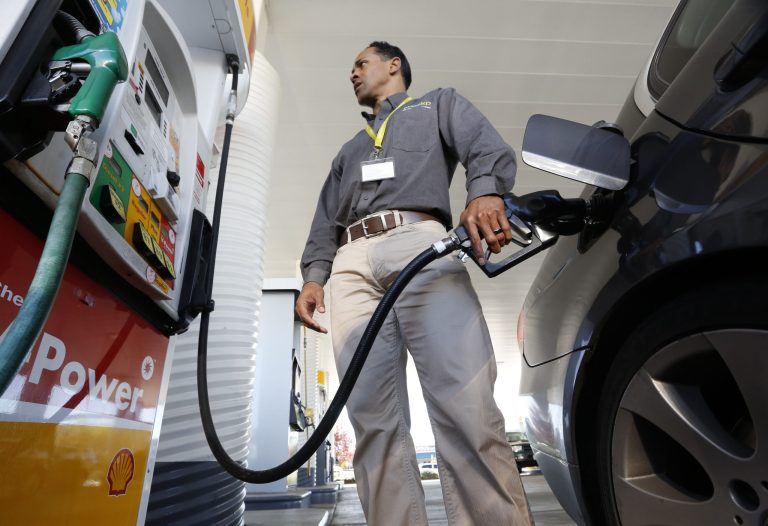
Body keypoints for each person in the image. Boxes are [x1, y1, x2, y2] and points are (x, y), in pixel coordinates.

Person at [296, 41, 533, 526]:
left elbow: (486, 148)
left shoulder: (437, 105)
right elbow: (324, 221)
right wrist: (314, 277)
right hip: (351, 263)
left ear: (393, 65)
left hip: (421, 244)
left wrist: (485, 192)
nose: (352, 74)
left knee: (465, 402)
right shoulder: (349, 151)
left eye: (360, 63)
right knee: (372, 422)